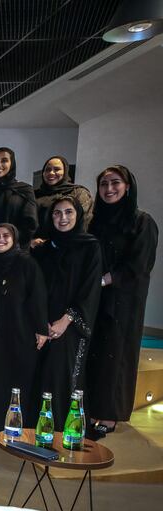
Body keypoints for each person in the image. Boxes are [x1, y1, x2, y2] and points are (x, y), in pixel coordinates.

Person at [87, 166, 158, 436]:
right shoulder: (96, 222)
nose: (109, 188)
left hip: (123, 302)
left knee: (115, 358)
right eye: (103, 183)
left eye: (115, 183)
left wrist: (105, 280)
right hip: (97, 299)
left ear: (128, 186)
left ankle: (109, 415)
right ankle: (92, 408)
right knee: (96, 356)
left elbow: (139, 266)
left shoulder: (142, 222)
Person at [31, 196, 101, 430]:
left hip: (70, 325)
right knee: (41, 376)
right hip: (43, 324)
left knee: (63, 376)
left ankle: (63, 431)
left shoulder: (89, 246)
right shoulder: (45, 249)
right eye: (57, 213)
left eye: (68, 212)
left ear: (78, 215)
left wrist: (64, 321)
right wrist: (41, 322)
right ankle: (40, 429)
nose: (63, 218)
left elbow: (90, 288)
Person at [0, 224, 48, 437]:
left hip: (20, 333)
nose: (0, 239)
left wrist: (40, 328)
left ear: (15, 239)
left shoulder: (26, 263)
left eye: (6, 236)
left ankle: (13, 429)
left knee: (16, 382)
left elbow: (37, 297)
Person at [32, 156, 94, 246]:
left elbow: (81, 222)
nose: (51, 173)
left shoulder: (78, 192)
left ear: (65, 171)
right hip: (35, 248)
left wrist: (51, 243)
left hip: (66, 248)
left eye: (57, 169)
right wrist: (30, 241)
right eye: (47, 169)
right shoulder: (34, 194)